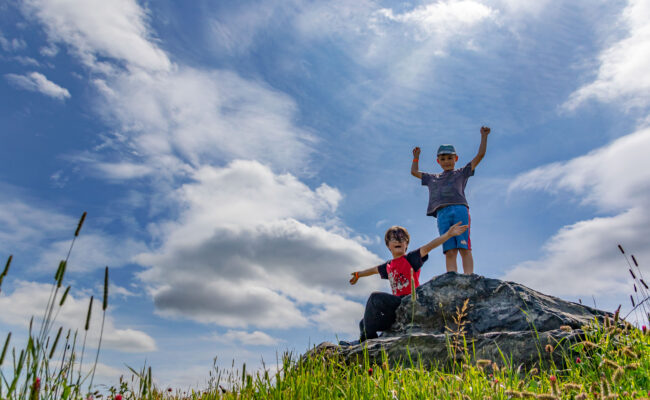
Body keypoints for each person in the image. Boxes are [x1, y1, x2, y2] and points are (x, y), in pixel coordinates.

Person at [347, 222, 468, 343]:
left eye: (402, 239)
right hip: (394, 312)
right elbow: (373, 270)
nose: (398, 241)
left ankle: (368, 340)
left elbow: (429, 246)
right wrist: (358, 275)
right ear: (388, 246)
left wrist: (448, 235)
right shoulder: (388, 266)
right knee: (364, 322)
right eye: (394, 239)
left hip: (408, 301)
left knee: (374, 298)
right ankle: (367, 343)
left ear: (406, 245)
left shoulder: (411, 258)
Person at [411, 126, 490, 275]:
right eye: (443, 159)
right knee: (449, 249)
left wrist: (484, 136)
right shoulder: (432, 178)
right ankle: (452, 277)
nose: (446, 161)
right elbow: (414, 172)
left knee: (464, 246)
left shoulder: (461, 173)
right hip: (442, 213)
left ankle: (469, 277)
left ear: (456, 159)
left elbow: (480, 155)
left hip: (459, 209)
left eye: (449, 158)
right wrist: (416, 157)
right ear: (438, 161)